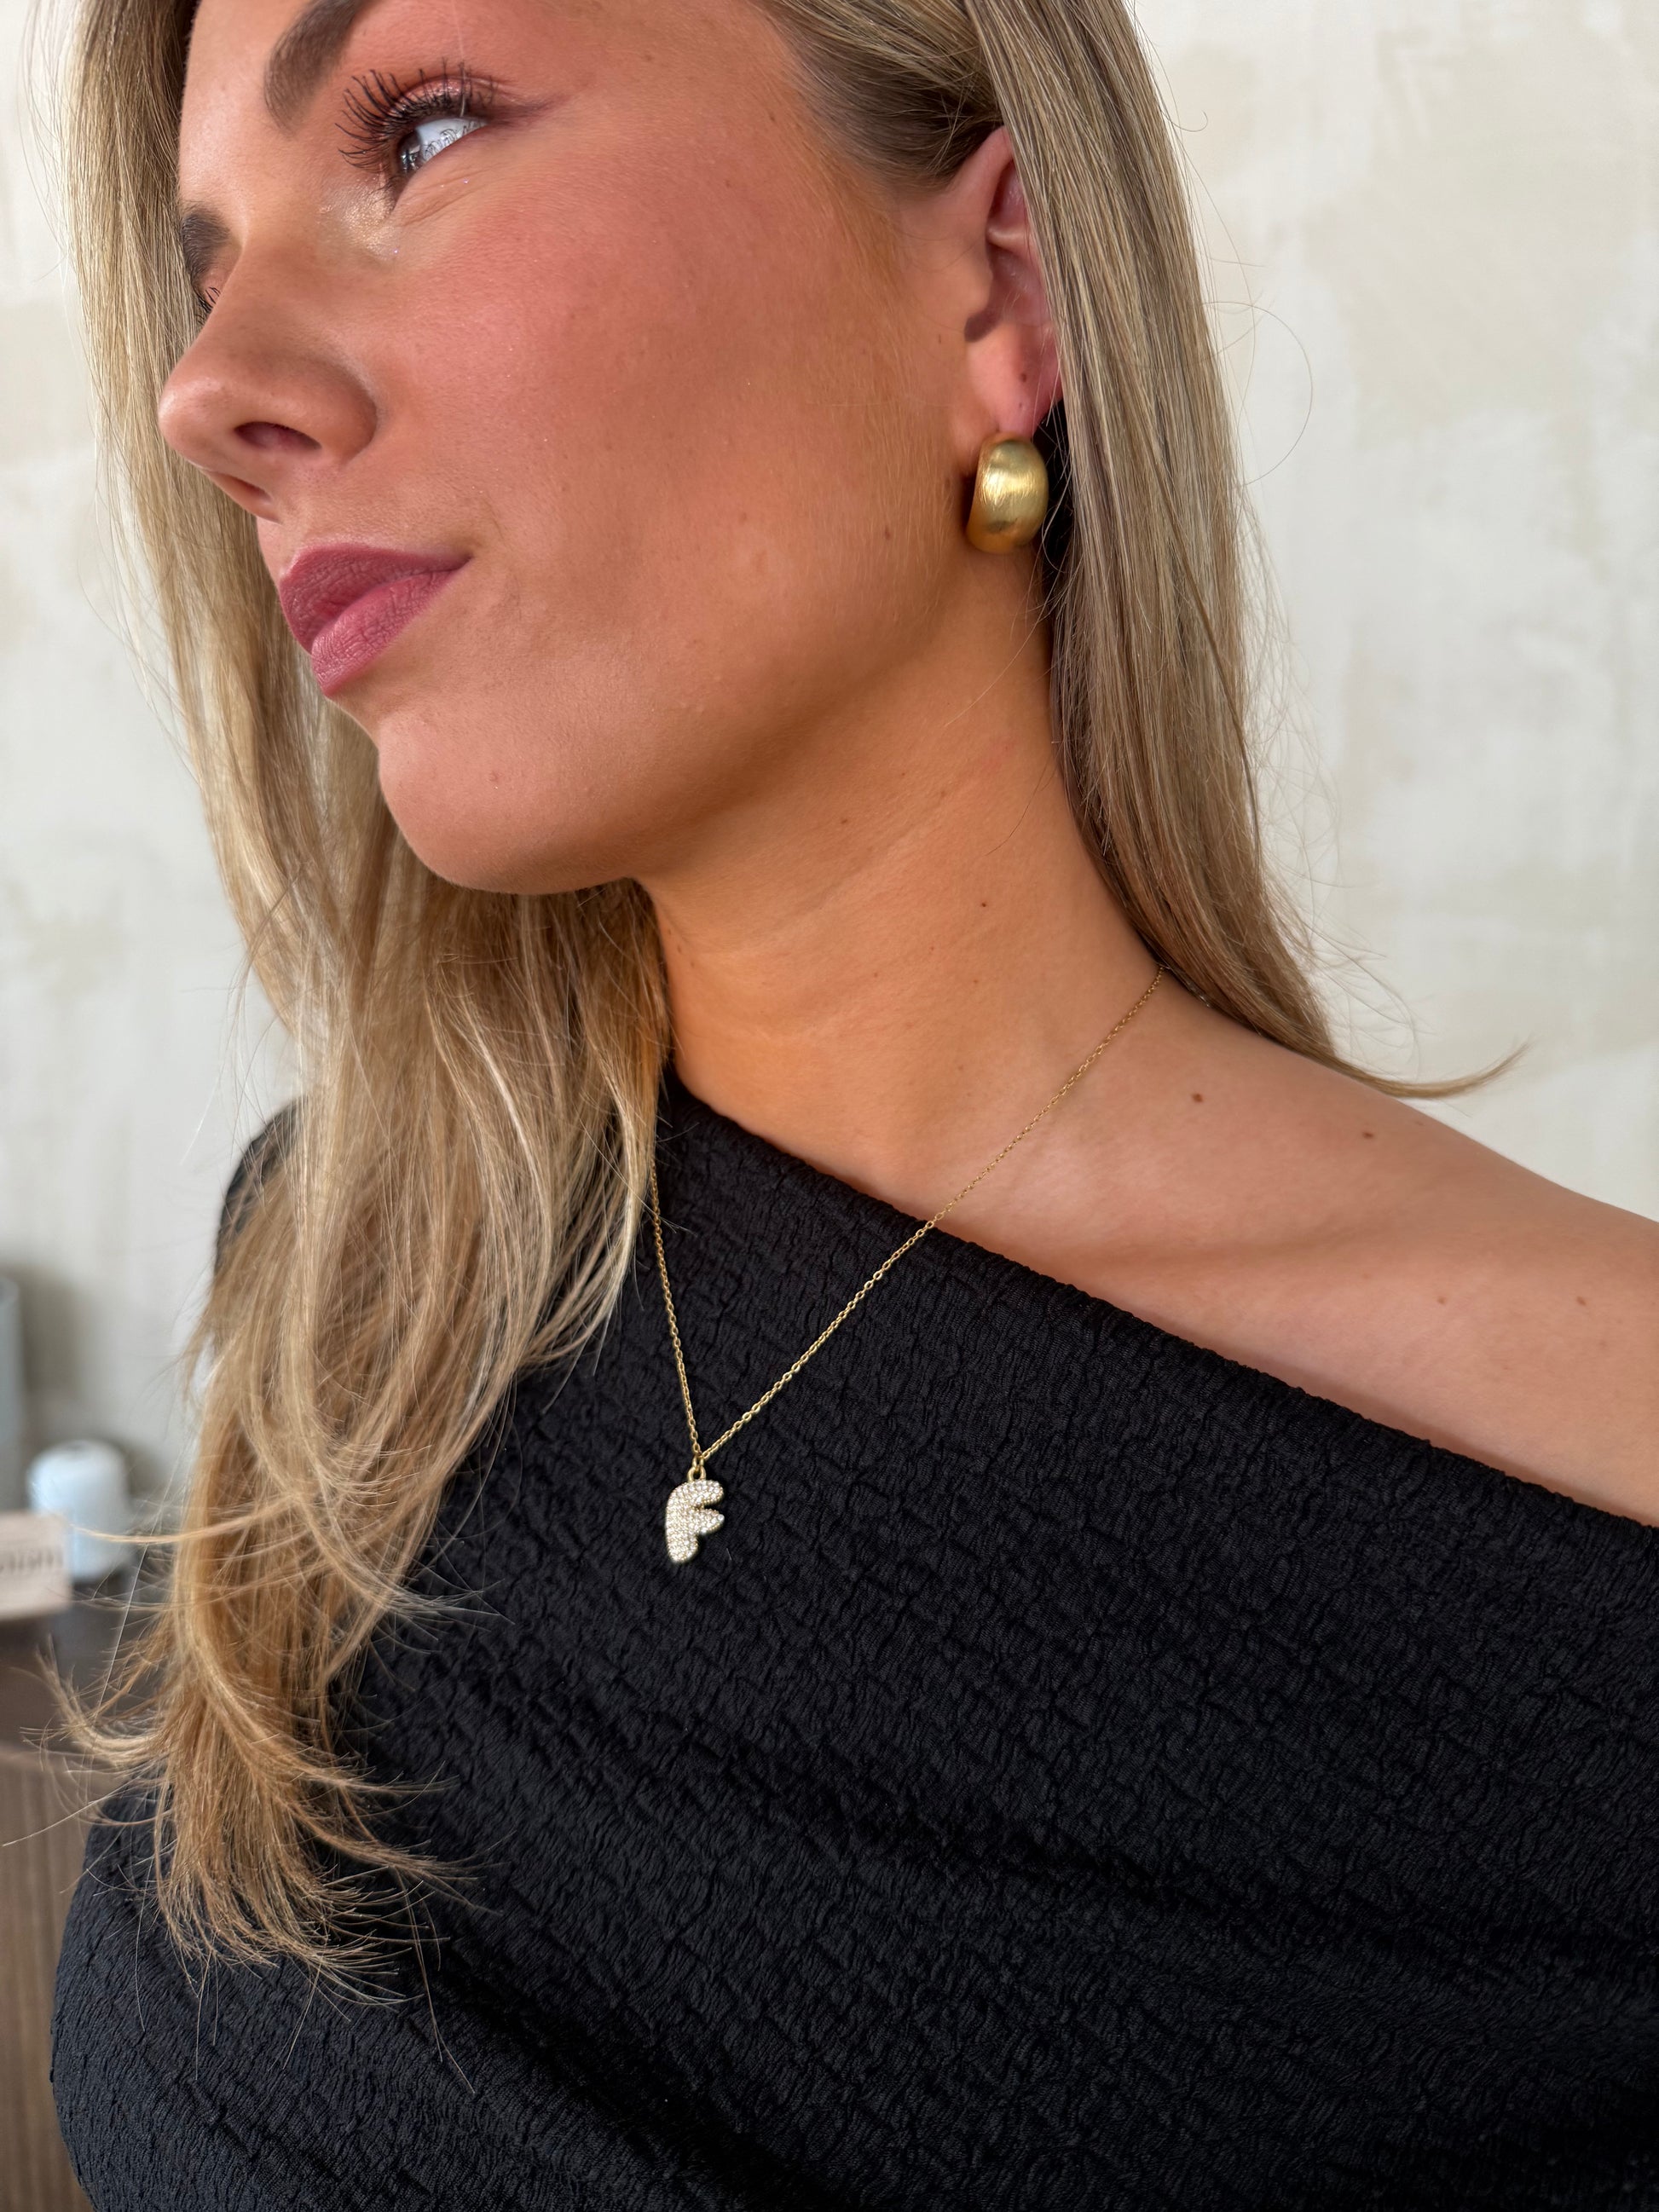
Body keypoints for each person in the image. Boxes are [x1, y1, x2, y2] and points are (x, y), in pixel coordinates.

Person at [49, 0, 1659, 2203]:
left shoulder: (1597, 1477)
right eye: (210, 265)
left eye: (420, 132)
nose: (207, 393)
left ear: (996, 292)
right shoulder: (360, 1306)